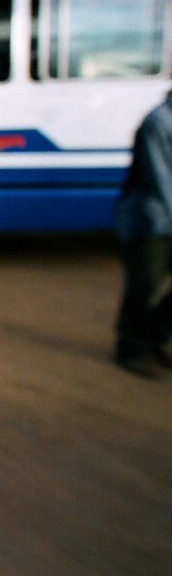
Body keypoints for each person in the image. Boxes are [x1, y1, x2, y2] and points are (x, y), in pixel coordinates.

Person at [113, 89, 172, 378]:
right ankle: (131, 349)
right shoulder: (159, 122)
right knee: (144, 285)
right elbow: (161, 178)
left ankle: (153, 335)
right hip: (150, 221)